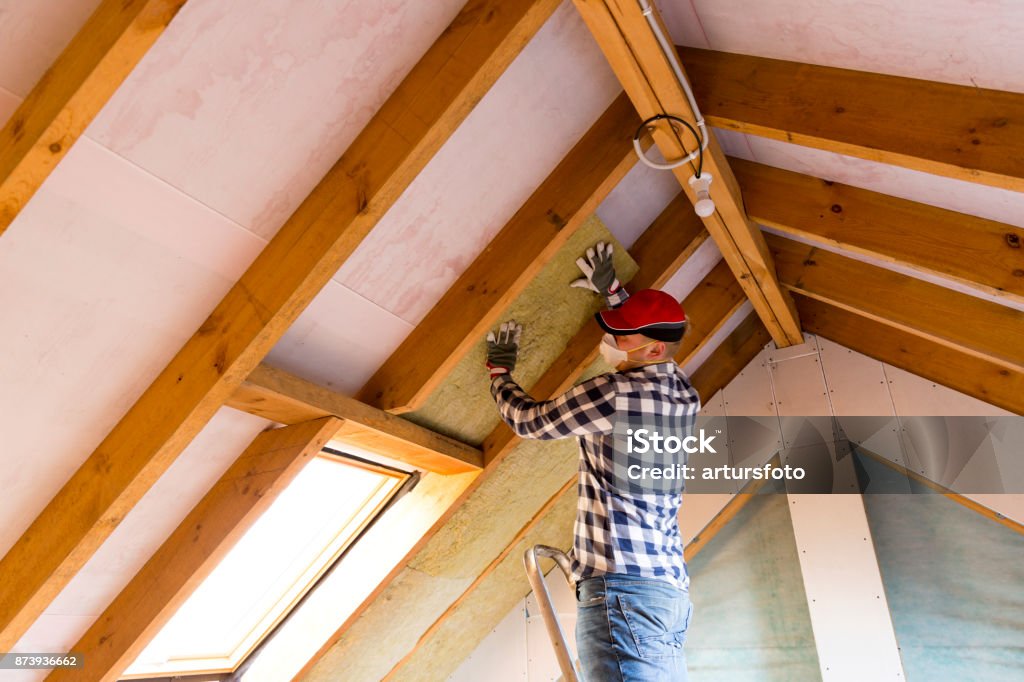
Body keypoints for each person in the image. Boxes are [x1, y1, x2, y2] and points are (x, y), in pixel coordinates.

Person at [485, 241, 700, 681]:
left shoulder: (615, 394)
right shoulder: (683, 393)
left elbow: (531, 422)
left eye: (623, 335)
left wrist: (499, 376)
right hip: (664, 592)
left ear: (655, 350)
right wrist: (615, 295)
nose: (612, 341)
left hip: (623, 593)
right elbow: (651, 336)